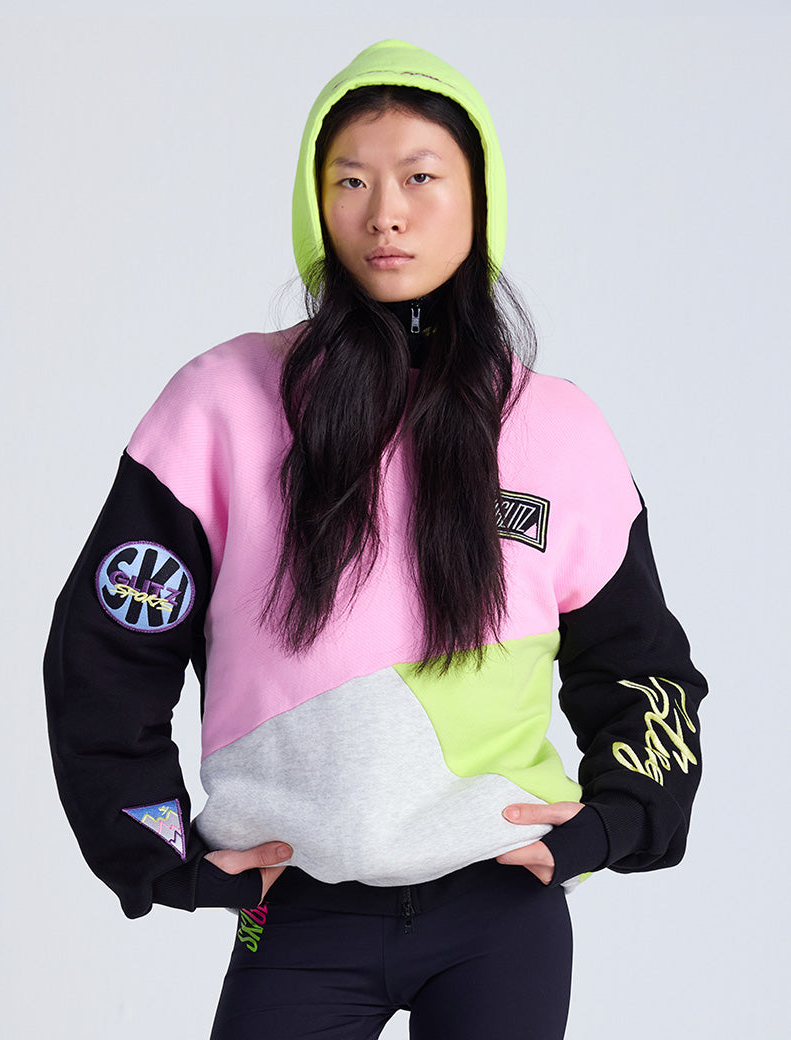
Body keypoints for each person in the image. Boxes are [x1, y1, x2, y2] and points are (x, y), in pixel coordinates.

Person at [44, 39, 707, 1039]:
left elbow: (643, 664)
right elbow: (106, 648)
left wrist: (616, 818)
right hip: (294, 908)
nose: (385, 212)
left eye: (419, 177)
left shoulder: (558, 430)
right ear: (316, 202)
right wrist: (158, 848)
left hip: (502, 905)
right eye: (350, 179)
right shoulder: (220, 407)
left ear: (478, 197)